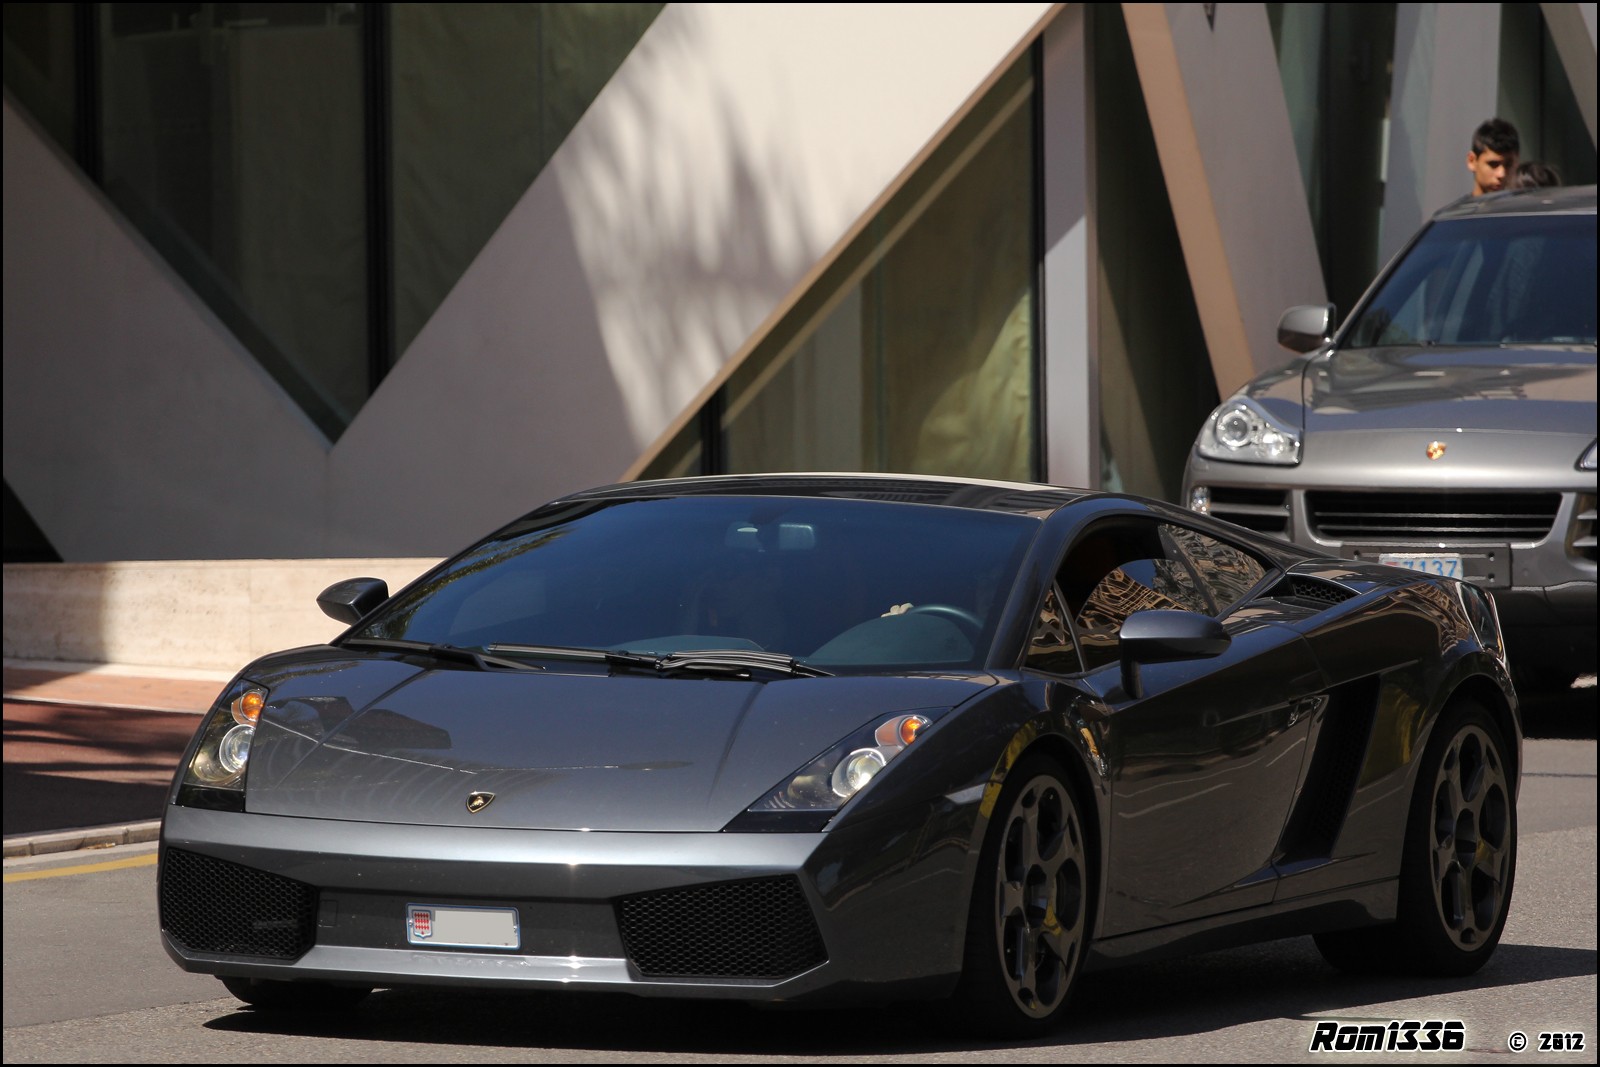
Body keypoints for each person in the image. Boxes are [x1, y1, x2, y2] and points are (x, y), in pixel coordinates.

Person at [1466, 118, 1520, 196]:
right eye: (1493, 164)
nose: (1501, 174)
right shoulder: (1458, 208)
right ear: (1472, 161)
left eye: (1509, 165)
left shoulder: (1526, 207)